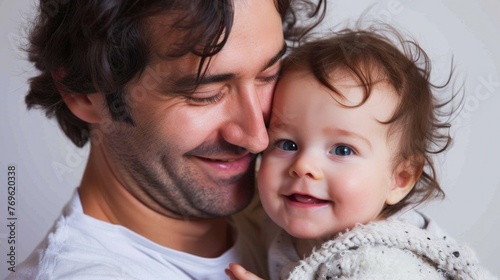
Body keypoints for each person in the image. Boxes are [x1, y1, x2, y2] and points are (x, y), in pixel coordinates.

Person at [8, 0, 326, 279]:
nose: (257, 137)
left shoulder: (287, 218)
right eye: (205, 93)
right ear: (85, 94)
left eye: (267, 75)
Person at [226, 26, 497, 279]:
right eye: (287, 144)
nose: (304, 165)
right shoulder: (278, 222)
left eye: (342, 150)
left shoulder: (384, 263)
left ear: (399, 179)